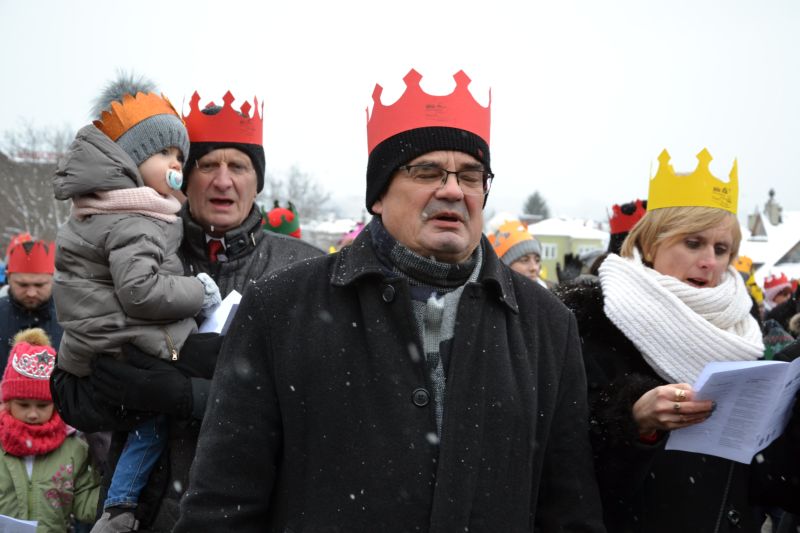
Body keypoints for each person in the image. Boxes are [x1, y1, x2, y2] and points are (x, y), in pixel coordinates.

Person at [175, 69, 605, 532]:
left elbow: (569, 512)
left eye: (471, 175)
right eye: (427, 171)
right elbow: (222, 508)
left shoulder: (547, 325)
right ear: (379, 194)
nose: (453, 190)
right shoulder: (280, 310)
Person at [49, 88, 323, 532]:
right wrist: (122, 394)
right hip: (144, 515)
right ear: (180, 175)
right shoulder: (130, 247)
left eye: (239, 166)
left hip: (258, 514)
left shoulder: (305, 269)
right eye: (207, 165)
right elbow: (68, 395)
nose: (223, 181)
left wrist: (190, 397)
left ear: (257, 181)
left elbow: (321, 405)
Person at [555, 148, 800, 532]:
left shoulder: (743, 331)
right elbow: (563, 470)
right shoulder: (592, 323)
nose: (709, 261)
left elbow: (768, 482)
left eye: (721, 249)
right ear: (651, 244)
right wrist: (634, 421)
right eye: (693, 243)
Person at [51, 75, 223, 532]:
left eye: (181, 155)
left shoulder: (114, 209)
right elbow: (140, 291)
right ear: (130, 159)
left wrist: (189, 393)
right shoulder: (139, 217)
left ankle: (120, 506)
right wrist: (198, 292)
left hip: (222, 504)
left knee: (152, 416)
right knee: (151, 419)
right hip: (119, 345)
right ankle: (120, 505)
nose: (176, 164)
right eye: (165, 153)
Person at [0, 328, 100, 532]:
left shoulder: (74, 449)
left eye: (42, 405)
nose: (33, 414)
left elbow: (85, 504)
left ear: (56, 405)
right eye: (23, 405)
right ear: (8, 402)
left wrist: (115, 492)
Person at [0, 239, 61, 368]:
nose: (31, 293)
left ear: (53, 279)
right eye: (23, 285)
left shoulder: (72, 317)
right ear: (8, 278)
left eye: (39, 285)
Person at [488, 218, 546, 287]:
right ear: (504, 266)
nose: (534, 268)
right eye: (525, 260)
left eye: (537, 260)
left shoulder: (545, 291)